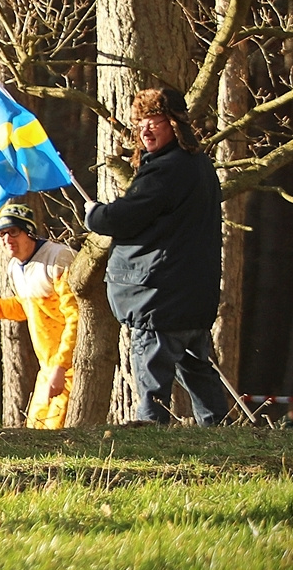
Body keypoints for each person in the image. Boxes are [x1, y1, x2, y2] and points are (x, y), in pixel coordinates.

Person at [84, 86, 232, 425]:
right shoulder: (199, 167)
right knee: (196, 367)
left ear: (175, 125)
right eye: (141, 123)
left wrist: (95, 215)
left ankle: (151, 435)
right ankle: (220, 434)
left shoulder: (166, 170)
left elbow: (125, 216)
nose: (146, 130)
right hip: (192, 295)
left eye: (155, 121)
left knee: (152, 372)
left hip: (160, 296)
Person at [0, 202, 79, 428]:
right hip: (48, 369)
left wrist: (61, 366)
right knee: (36, 431)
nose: (7, 239)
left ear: (29, 232)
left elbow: (76, 318)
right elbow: (26, 307)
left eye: (13, 231)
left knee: (60, 435)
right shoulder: (16, 267)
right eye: (1, 234)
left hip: (71, 366)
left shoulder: (58, 259)